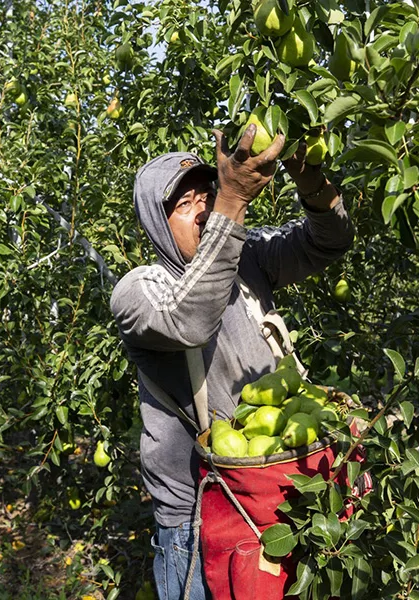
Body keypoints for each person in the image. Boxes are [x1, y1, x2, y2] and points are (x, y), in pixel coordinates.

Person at [110, 125, 355, 600]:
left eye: (207, 194)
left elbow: (328, 241)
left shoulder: (246, 256)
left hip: (281, 488)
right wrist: (232, 201)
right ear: (157, 224)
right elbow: (191, 320)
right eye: (184, 205)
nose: (203, 211)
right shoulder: (138, 292)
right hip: (203, 522)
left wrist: (310, 181)